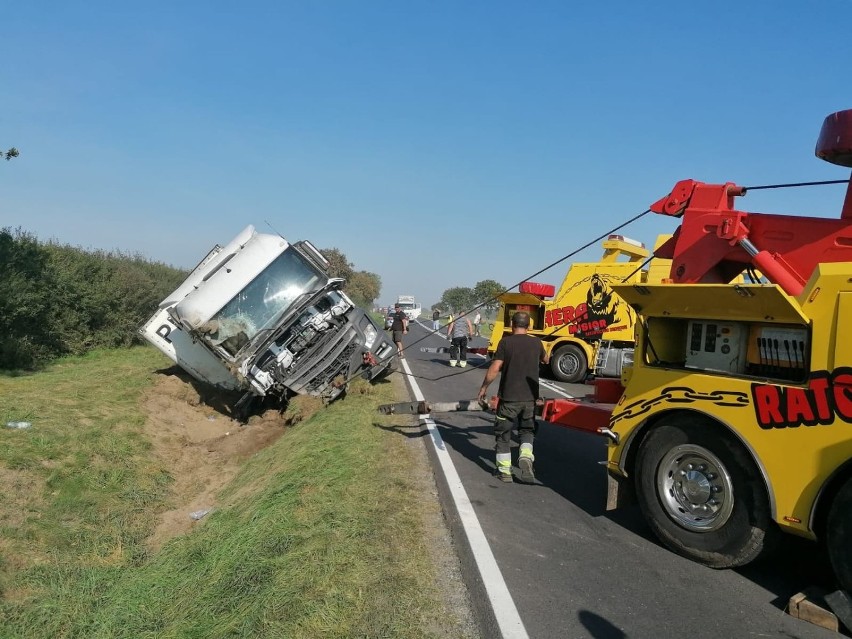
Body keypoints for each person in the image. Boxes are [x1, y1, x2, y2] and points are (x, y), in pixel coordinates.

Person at [477, 311, 549, 483]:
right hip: (530, 399)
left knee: (503, 434)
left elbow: (494, 369)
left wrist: (484, 388)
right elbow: (546, 359)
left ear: (511, 324)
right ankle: (525, 456)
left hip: (509, 399)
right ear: (529, 326)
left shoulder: (505, 342)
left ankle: (504, 471)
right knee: (526, 431)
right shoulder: (536, 342)